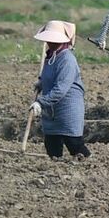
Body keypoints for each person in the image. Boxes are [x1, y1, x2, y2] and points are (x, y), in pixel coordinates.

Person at [30, 19, 90, 160]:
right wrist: (41, 82)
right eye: (49, 40)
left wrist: (41, 102)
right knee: (51, 144)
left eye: (54, 40)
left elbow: (61, 88)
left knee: (74, 143)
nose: (51, 43)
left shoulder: (67, 60)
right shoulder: (50, 56)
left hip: (67, 108)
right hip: (51, 112)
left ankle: (87, 165)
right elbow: (49, 75)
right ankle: (55, 168)